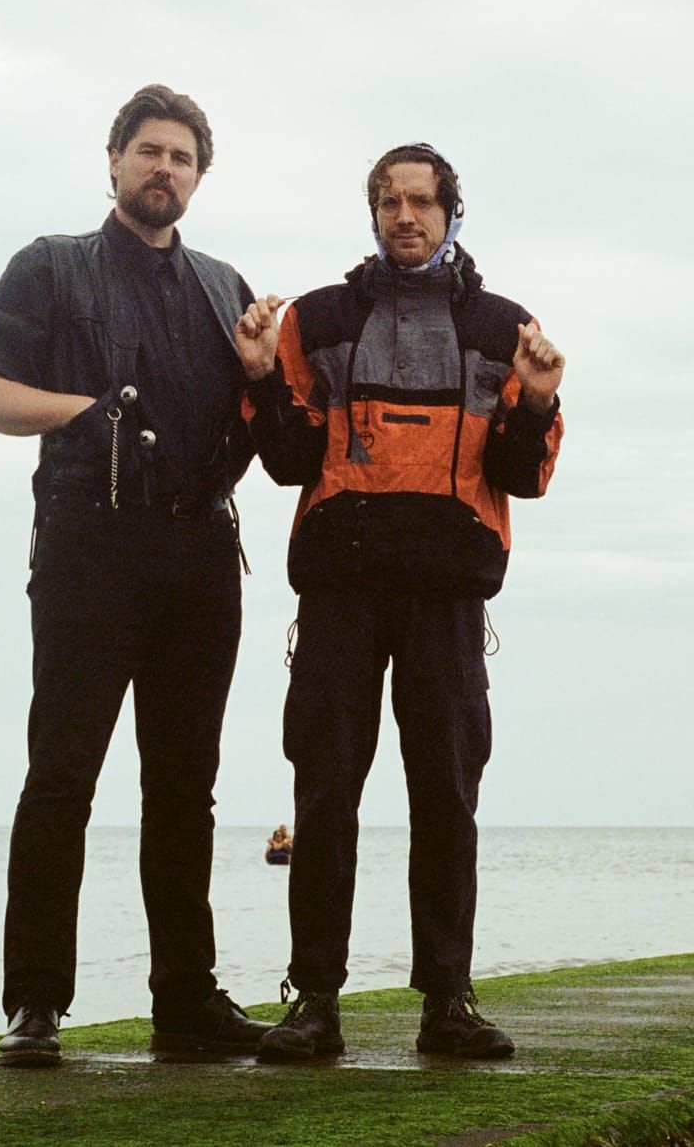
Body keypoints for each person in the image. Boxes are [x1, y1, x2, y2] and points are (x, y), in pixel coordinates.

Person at [0, 84, 280, 1067]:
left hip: (201, 553)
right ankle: (36, 1005)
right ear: (112, 161)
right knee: (63, 774)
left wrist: (265, 376)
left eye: (181, 158)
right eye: (148, 151)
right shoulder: (49, 268)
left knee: (187, 787)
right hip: (90, 543)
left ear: (197, 176)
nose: (163, 169)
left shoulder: (226, 287)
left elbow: (272, 435)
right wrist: (81, 411)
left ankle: (184, 998)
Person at [235, 144, 564, 1061]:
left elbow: (520, 477)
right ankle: (314, 1005)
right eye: (388, 202)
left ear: (453, 213)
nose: (405, 217)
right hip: (341, 591)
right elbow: (291, 461)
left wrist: (535, 401)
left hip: (448, 598)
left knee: (447, 798)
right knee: (325, 792)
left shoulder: (505, 329)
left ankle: (447, 1003)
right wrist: (261, 373)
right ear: (371, 213)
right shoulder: (319, 319)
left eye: (422, 202)